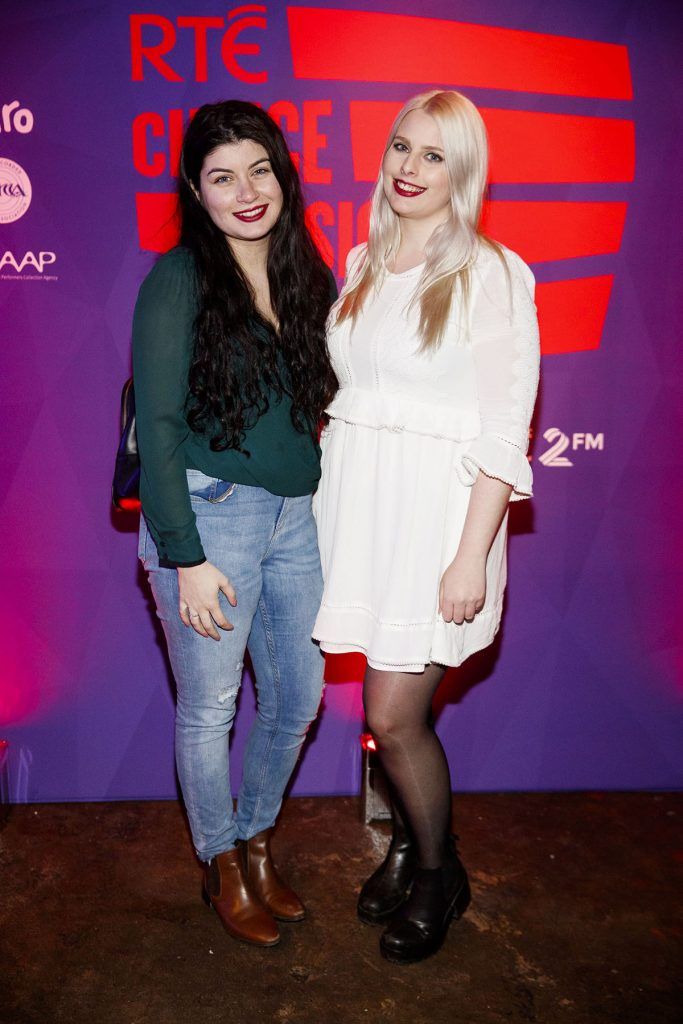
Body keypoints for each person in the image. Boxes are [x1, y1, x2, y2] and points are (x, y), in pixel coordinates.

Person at [312, 90, 540, 964]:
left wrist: (470, 556)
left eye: (433, 154)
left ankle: (438, 874)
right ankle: (407, 844)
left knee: (393, 713)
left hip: (438, 523)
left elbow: (503, 425)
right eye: (401, 147)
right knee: (389, 711)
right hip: (364, 518)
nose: (409, 167)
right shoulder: (363, 257)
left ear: (463, 170)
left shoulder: (491, 271)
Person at [133, 100, 337, 948]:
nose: (245, 191)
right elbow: (159, 425)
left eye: (259, 169)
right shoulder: (178, 277)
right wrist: (185, 556)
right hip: (210, 518)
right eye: (222, 177)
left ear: (282, 173)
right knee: (210, 708)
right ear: (196, 189)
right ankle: (218, 859)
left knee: (297, 699)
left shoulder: (307, 273)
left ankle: (255, 839)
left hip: (299, 517)